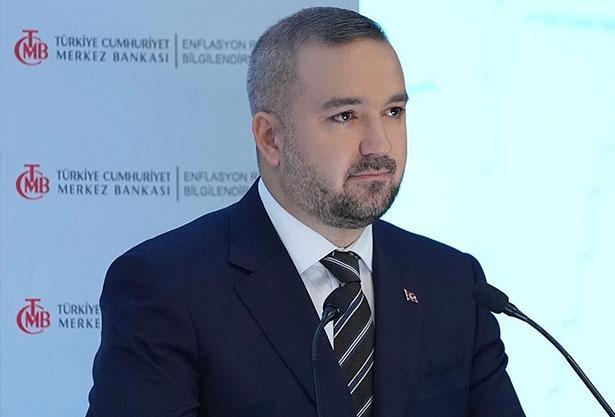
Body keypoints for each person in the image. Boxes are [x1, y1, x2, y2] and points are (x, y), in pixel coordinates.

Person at [86, 7, 525, 417]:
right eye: (345, 116)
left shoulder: (454, 283)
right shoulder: (167, 287)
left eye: (393, 111)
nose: (380, 145)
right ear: (270, 137)